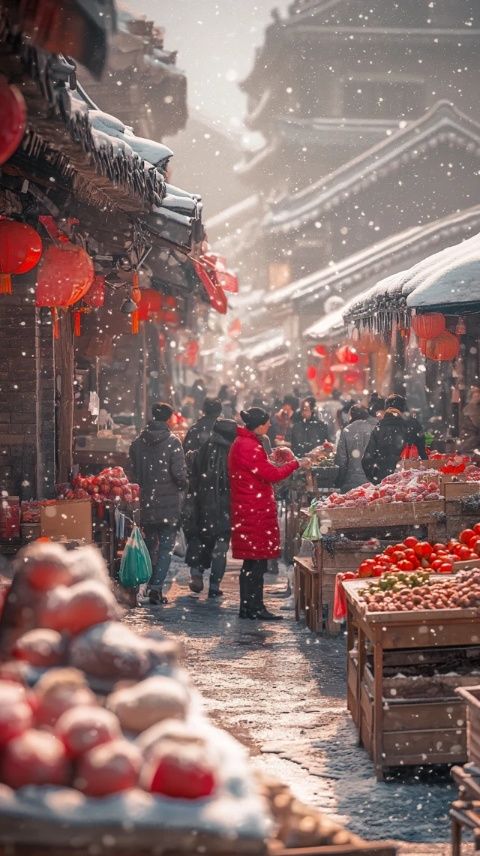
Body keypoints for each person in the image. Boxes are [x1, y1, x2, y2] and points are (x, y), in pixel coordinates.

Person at [228, 407, 309, 620]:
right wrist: (295, 464)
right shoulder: (248, 446)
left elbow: (261, 470)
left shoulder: (245, 443)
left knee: (252, 563)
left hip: (250, 507)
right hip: (253, 510)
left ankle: (249, 607)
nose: (270, 425)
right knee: (256, 563)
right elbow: (270, 474)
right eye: (266, 422)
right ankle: (254, 607)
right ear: (259, 425)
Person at [129, 402, 187, 604]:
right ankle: (155, 587)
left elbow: (133, 472)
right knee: (166, 547)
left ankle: (144, 585)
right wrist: (184, 484)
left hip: (146, 502)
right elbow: (179, 474)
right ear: (169, 418)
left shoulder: (138, 443)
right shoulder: (173, 442)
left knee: (149, 544)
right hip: (168, 505)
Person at [185, 419, 237, 598]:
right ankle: (214, 585)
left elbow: (194, 475)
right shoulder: (232, 451)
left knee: (199, 539)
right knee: (220, 547)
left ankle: (196, 574)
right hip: (225, 506)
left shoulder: (205, 448)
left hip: (202, 504)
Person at [362, 394, 427, 484]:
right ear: (404, 408)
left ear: (386, 409)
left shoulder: (379, 427)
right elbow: (423, 456)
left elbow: (366, 460)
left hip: (384, 481)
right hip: (409, 482)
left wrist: (376, 477)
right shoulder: (413, 425)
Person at [335, 405, 374, 492]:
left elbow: (341, 460)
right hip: (370, 481)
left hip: (351, 482)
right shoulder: (374, 428)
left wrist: (339, 481)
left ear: (352, 416)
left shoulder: (346, 430)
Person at [461, 387, 480, 453]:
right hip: (470, 436)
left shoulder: (477, 408)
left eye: (478, 396)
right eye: (475, 396)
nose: (477, 398)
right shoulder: (467, 409)